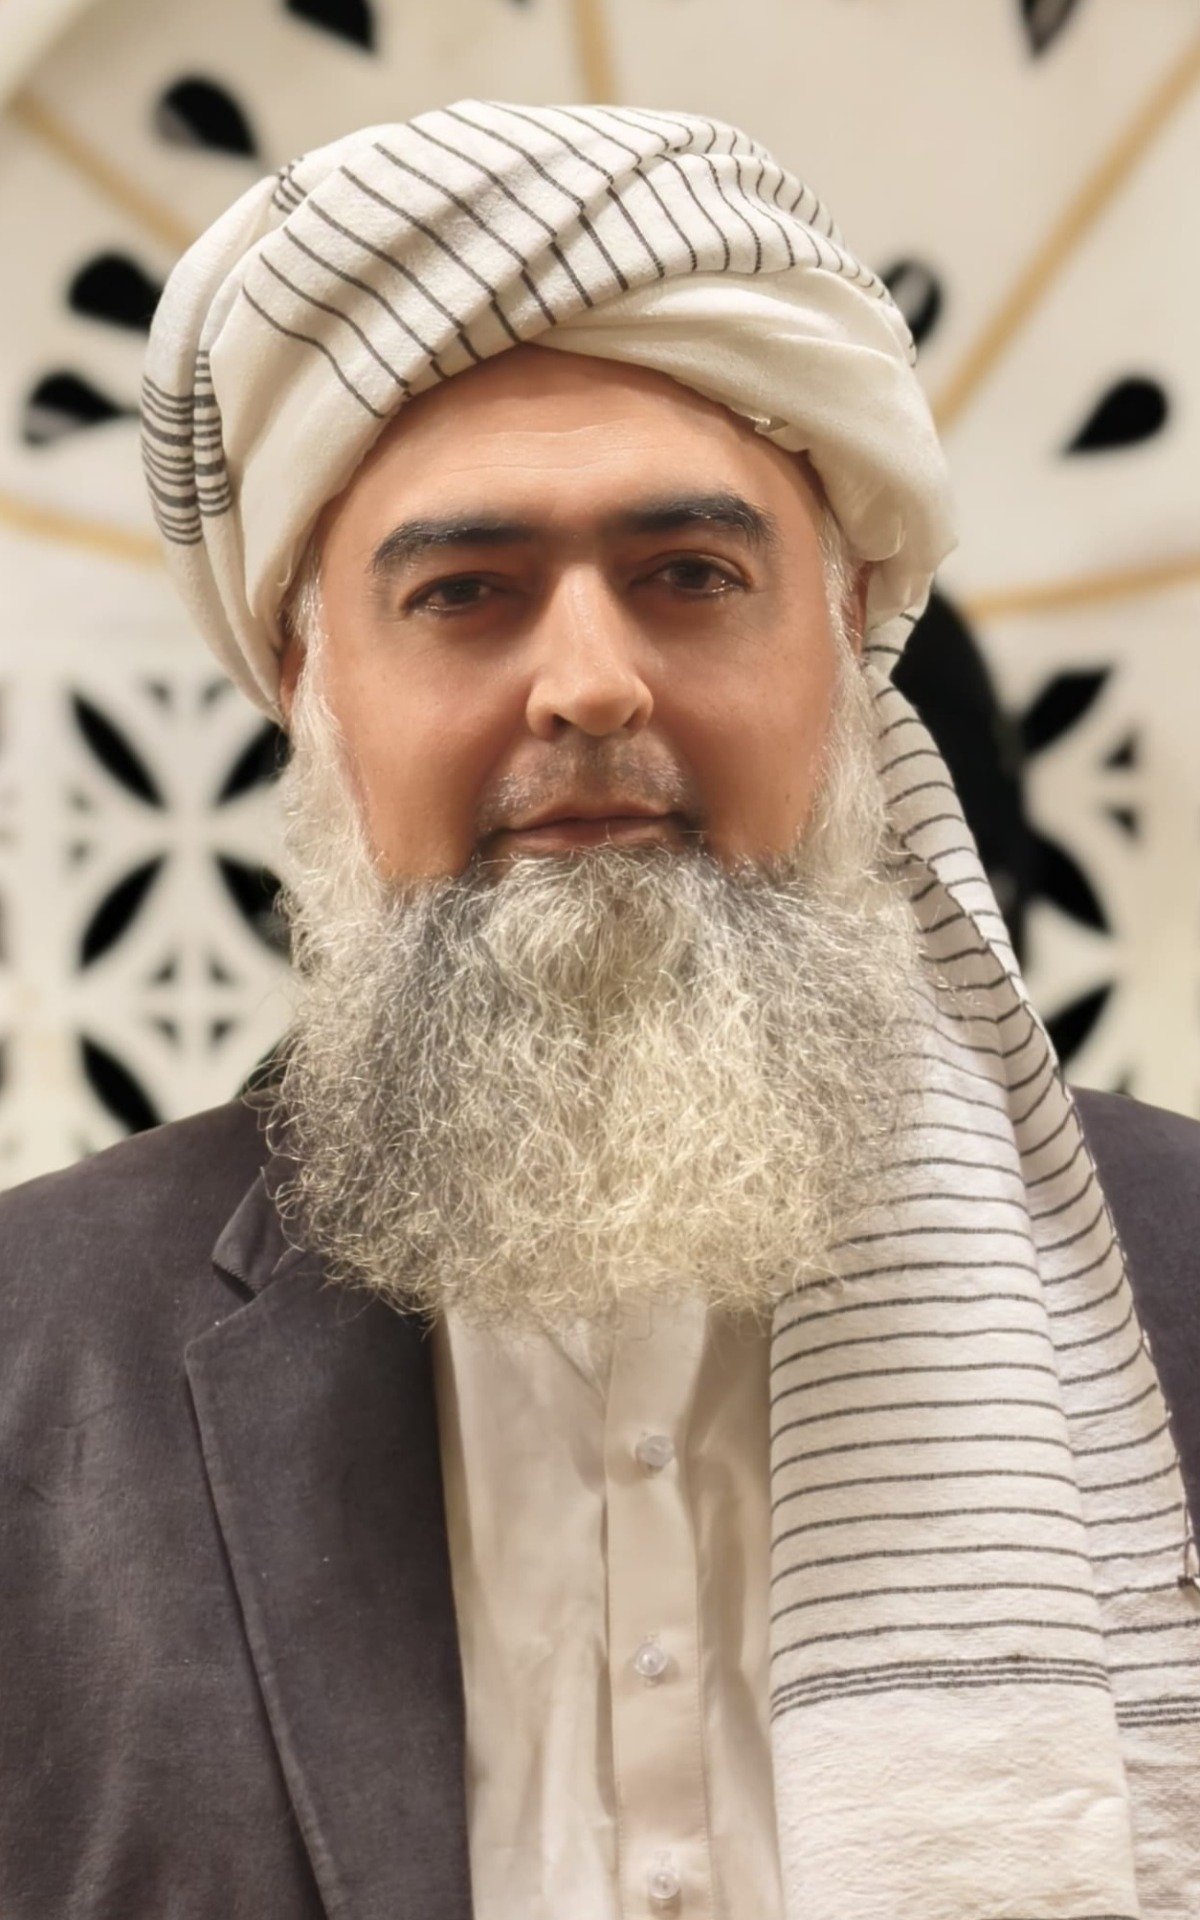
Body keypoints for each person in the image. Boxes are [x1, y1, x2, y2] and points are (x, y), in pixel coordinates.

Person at [2, 102, 1198, 1920]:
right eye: (465, 593)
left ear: (846, 637)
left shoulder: (1175, 1289)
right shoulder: (36, 1360)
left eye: (689, 578)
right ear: (311, 680)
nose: (587, 684)